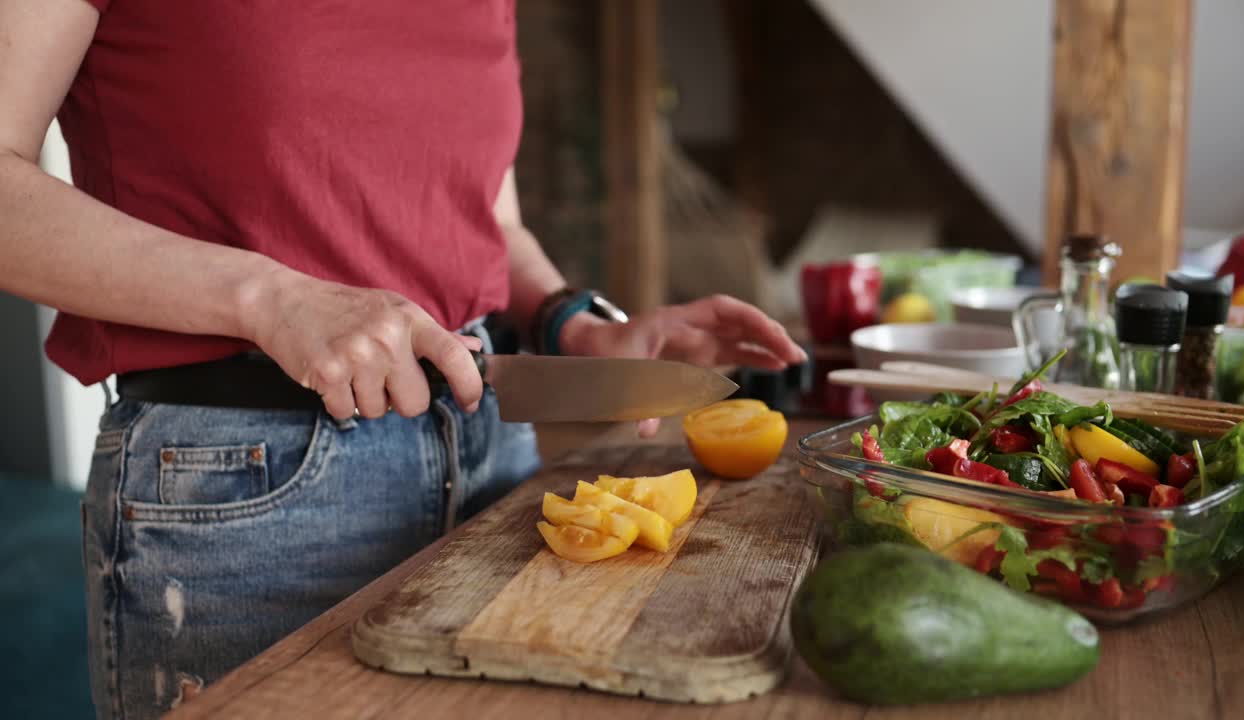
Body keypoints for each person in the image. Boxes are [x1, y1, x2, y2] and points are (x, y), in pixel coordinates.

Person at [0, 1, 805, 717]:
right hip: (246, 492)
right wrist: (272, 298)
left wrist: (571, 322)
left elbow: (481, 215)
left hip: (494, 454)